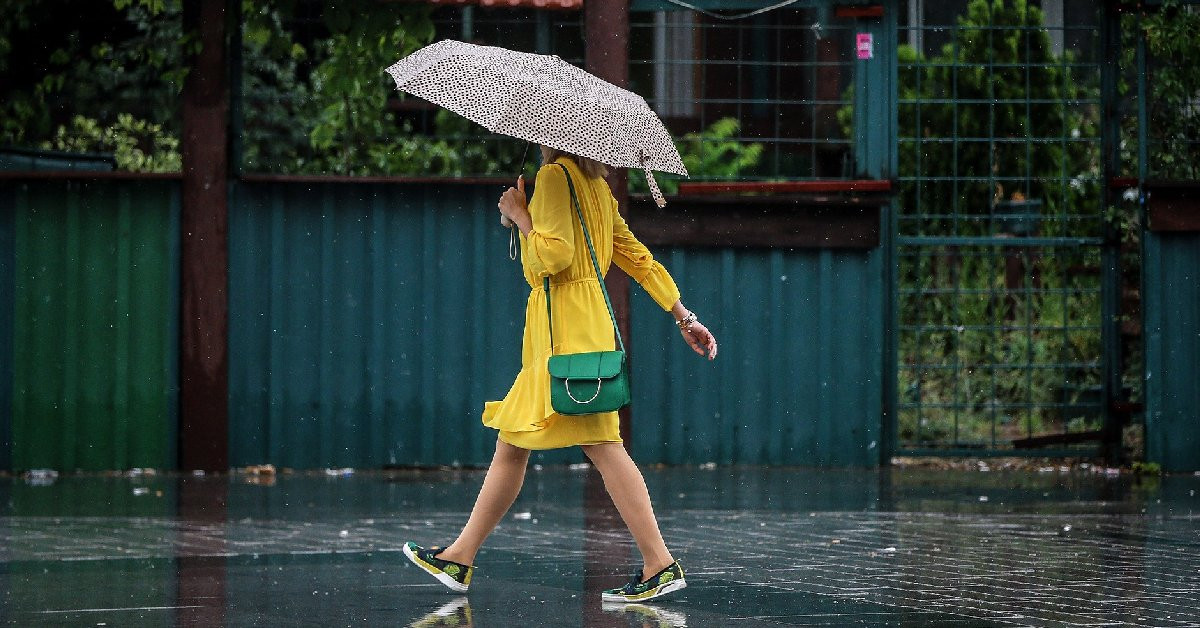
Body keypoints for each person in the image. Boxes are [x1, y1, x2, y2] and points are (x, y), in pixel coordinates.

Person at [403, 146, 717, 603]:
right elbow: (637, 258)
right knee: (518, 439)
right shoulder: (598, 187)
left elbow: (552, 258)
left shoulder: (553, 178)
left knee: (599, 445)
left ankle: (660, 563)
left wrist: (520, 216)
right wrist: (683, 315)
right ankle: (460, 555)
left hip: (561, 331)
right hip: (583, 328)